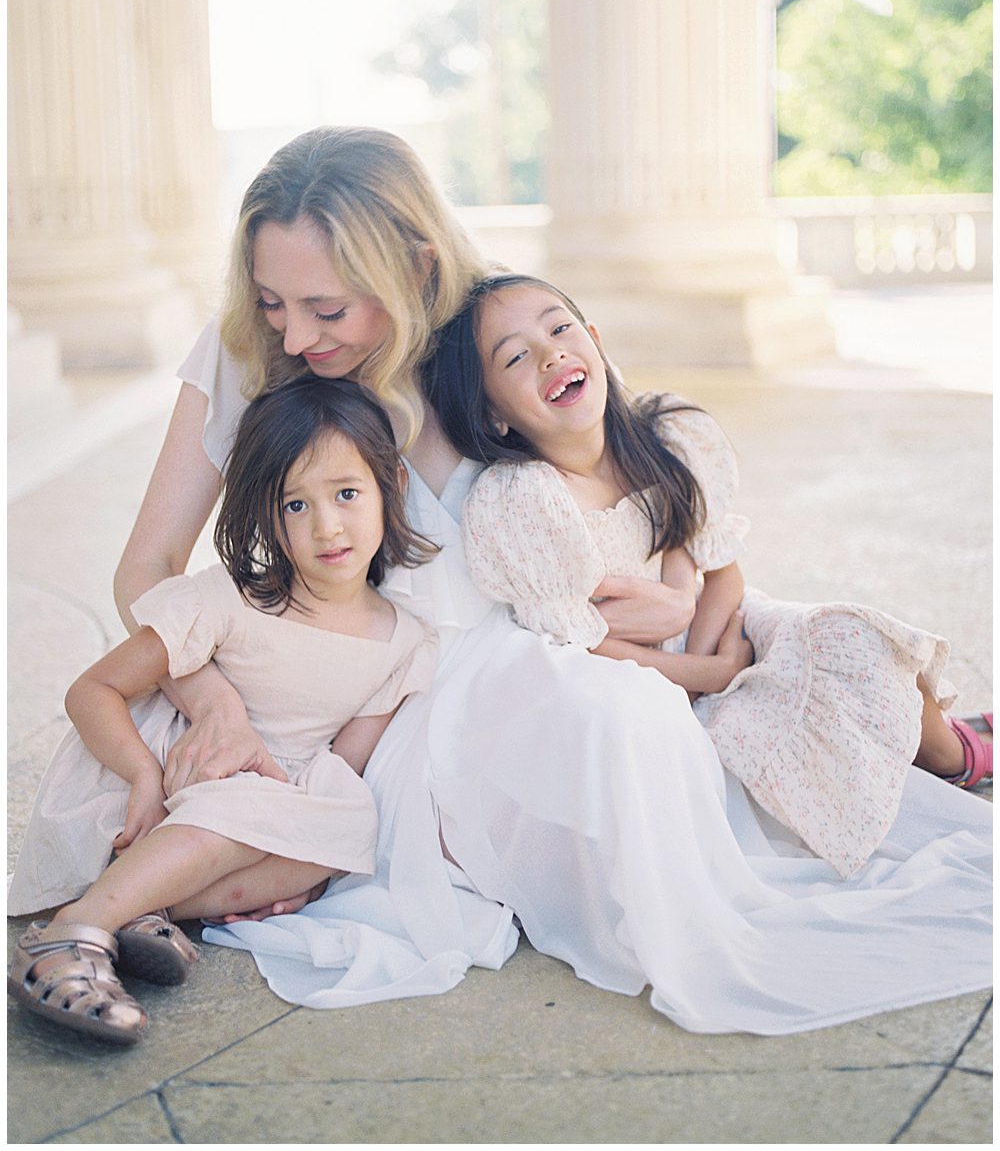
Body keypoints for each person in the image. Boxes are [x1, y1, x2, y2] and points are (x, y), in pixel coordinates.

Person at [94, 126, 989, 1035]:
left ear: (414, 264)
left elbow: (650, 467)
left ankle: (947, 747)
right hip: (419, 681)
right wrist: (211, 701)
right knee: (620, 717)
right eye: (271, 297)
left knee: (834, 647)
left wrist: (680, 586)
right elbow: (148, 569)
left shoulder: (505, 333)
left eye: (326, 308)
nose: (295, 332)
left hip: (591, 606)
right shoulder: (252, 347)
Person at [422, 273, 993, 878]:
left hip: (716, 627)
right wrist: (707, 676)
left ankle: (951, 749)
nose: (550, 353)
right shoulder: (528, 503)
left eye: (560, 328)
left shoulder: (664, 437)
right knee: (782, 715)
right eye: (515, 357)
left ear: (595, 341)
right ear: (494, 414)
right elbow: (583, 646)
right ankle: (951, 751)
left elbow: (723, 574)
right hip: (639, 679)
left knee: (851, 641)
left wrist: (705, 638)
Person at [7, 375, 439, 1043]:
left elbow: (339, 769)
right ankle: (71, 933)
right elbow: (90, 691)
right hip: (146, 792)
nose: (326, 525)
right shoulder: (224, 599)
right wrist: (145, 778)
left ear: (392, 489)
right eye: (296, 505)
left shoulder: (405, 640)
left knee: (349, 822)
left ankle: (133, 907)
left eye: (347, 494)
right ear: (267, 518)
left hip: (257, 804)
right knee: (249, 812)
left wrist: (308, 856)